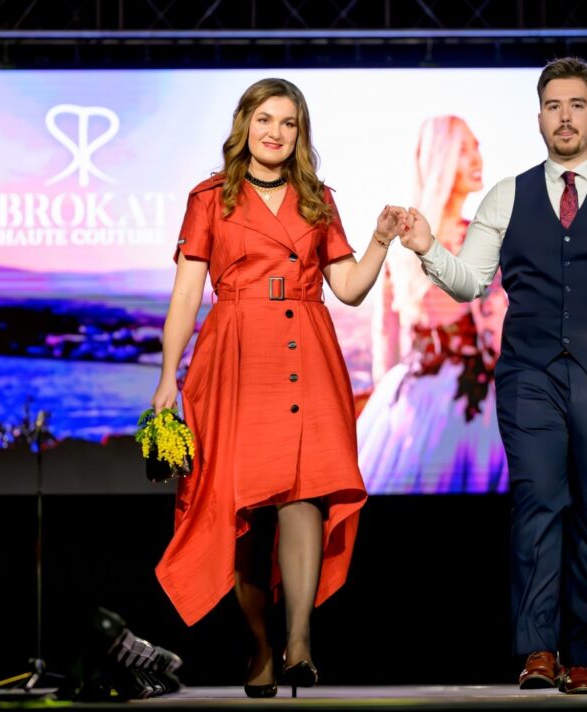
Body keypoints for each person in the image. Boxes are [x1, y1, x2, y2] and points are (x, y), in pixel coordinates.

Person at [400, 57, 587, 694]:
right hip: (528, 372)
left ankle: (581, 656)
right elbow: (471, 282)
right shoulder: (507, 195)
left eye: (577, 105)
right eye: (554, 105)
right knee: (538, 501)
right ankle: (538, 651)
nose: (565, 117)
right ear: (538, 117)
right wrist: (428, 247)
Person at [151, 77, 406, 698]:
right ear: (245, 124)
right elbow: (186, 294)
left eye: (288, 123)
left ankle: (299, 641)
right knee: (241, 507)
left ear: (300, 133)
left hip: (308, 351)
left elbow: (348, 289)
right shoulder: (209, 198)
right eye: (265, 119)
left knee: (306, 495)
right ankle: (262, 646)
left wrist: (380, 239)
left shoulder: (318, 199)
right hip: (237, 355)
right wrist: (166, 376)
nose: (276, 132)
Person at [358, 115, 507, 493]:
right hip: (455, 405)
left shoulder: (406, 242)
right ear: (442, 158)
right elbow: (387, 335)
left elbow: (388, 344)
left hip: (424, 399)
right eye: (464, 149)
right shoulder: (477, 239)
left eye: (477, 147)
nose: (477, 157)